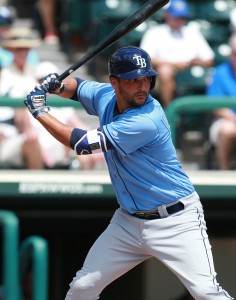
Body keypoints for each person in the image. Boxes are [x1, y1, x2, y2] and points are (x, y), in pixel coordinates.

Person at [25, 46, 233, 299]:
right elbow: (77, 87)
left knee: (205, 292)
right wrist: (57, 86)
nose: (141, 86)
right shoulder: (106, 95)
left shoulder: (147, 118)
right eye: (133, 80)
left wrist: (40, 112)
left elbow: (81, 143)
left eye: (145, 78)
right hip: (129, 222)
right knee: (82, 288)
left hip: (175, 220)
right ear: (115, 82)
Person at [140, 0, 215, 108]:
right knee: (164, 71)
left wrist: (196, 62)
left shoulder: (192, 32)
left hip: (190, 69)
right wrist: (174, 64)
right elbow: (145, 59)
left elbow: (209, 59)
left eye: (182, 17)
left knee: (214, 75)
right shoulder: (155, 32)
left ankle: (206, 114)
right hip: (164, 72)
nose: (180, 20)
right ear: (167, 15)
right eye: (177, 17)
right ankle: (169, 113)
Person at [32, 61, 106, 169]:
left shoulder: (63, 106)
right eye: (43, 81)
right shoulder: (32, 102)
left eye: (52, 80)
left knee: (85, 153)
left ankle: (87, 185)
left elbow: (78, 125)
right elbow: (27, 132)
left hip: (62, 148)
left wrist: (98, 146)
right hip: (40, 149)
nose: (47, 84)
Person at [0, 26, 44, 169]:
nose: (23, 52)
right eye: (19, 49)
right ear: (11, 50)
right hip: (13, 133)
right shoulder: (4, 75)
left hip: (42, 128)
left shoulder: (37, 73)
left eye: (26, 48)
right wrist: (27, 130)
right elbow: (19, 113)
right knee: (31, 142)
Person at [206, 34, 236, 170]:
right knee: (227, 129)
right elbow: (215, 106)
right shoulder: (220, 72)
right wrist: (232, 117)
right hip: (226, 120)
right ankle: (225, 173)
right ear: (231, 53)